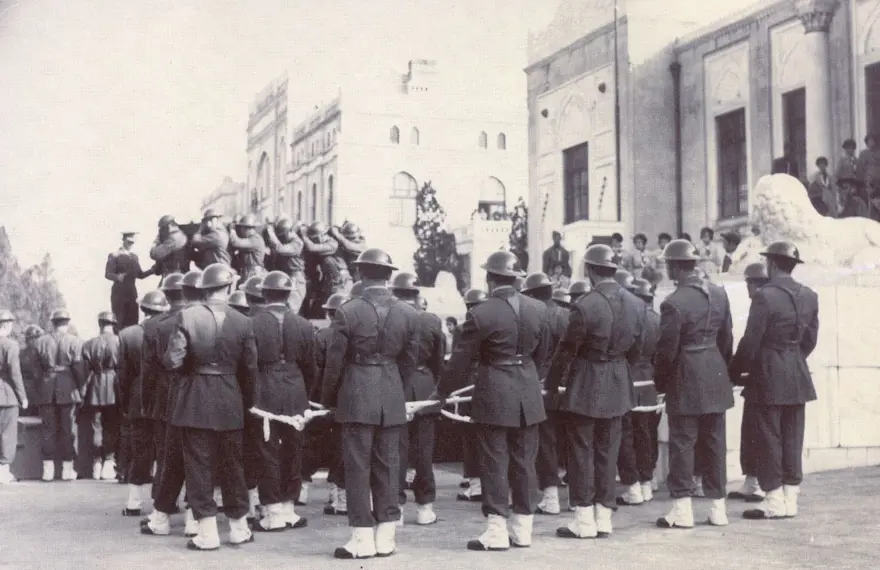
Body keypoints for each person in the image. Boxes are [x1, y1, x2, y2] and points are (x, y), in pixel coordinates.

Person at [437, 251, 549, 551]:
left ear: (489, 278)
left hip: (494, 391)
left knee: (494, 461)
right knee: (525, 462)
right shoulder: (539, 309)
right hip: (527, 389)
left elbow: (461, 361)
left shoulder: (481, 313)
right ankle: (523, 529)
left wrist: (441, 393)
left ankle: (497, 529)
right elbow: (544, 354)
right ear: (515, 277)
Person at [320, 248, 420, 559]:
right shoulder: (409, 313)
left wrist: (328, 400)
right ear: (389, 275)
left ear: (361, 273)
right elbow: (410, 362)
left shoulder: (348, 311)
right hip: (390, 392)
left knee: (357, 466)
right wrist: (396, 391)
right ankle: (385, 536)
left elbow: (334, 364)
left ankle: (361, 537)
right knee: (390, 466)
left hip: (356, 393)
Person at [544, 245, 640, 539]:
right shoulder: (636, 303)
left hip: (587, 382)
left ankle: (584, 519)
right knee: (608, 451)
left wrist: (552, 383)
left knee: (581, 450)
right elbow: (636, 349)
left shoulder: (585, 305)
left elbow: (566, 350)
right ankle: (604, 517)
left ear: (590, 270)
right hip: (618, 381)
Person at [163, 263, 258, 550]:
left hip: (194, 400)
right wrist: (246, 402)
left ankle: (207, 532)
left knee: (199, 465)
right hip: (230, 399)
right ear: (229, 288)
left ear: (203, 288)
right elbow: (250, 369)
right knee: (233, 465)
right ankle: (239, 527)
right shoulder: (243, 321)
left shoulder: (187, 316)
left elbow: (172, 361)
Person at [731, 243, 819, 520]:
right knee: (793, 437)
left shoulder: (765, 296)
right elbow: (810, 339)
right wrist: (791, 357)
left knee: (768, 438)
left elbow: (750, 341)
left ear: (772, 264)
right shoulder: (809, 295)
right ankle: (790, 501)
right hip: (797, 373)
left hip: (768, 375)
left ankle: (774, 502)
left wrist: (733, 373)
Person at [654, 239, 734, 529]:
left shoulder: (673, 302)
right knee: (715, 443)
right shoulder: (718, 294)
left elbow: (666, 350)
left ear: (675, 266)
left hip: (686, 375)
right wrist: (721, 368)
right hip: (715, 371)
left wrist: (660, 382)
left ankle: (682, 509)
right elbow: (727, 340)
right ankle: (717, 508)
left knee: (682, 443)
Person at [250, 270, 316, 532]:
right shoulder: (303, 324)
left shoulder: (252, 323)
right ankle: (288, 508)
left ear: (264, 293)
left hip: (264, 389)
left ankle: (273, 510)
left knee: (267, 450)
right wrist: (303, 391)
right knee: (294, 449)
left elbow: (248, 365)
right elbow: (311, 367)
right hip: (295, 390)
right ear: (288, 294)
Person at [141, 271, 200, 538]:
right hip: (198, 398)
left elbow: (148, 374)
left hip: (166, 400)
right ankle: (193, 516)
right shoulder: (201, 319)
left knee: (168, 458)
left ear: (167, 294)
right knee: (198, 457)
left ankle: (162, 513)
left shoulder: (154, 327)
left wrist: (148, 404)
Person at [390, 272, 445, 526]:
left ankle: (396, 507)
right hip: (424, 386)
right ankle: (425, 507)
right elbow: (439, 358)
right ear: (417, 294)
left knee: (395, 452)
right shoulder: (430, 320)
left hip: (396, 386)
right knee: (424, 453)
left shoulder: (389, 316)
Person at [520, 272, 569, 516]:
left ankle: (550, 496)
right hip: (569, 386)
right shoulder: (566, 314)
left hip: (539, 385)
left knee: (545, 443)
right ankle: (577, 497)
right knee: (573, 442)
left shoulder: (533, 315)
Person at [118, 290, 169, 516]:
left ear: (143, 309)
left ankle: (133, 502)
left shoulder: (128, 334)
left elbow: (122, 376)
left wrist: (125, 402)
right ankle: (164, 500)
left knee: (140, 452)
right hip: (166, 397)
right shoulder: (170, 330)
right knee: (166, 451)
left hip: (138, 398)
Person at [726, 262, 770, 504]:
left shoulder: (761, 300)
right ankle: (752, 481)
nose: (748, 289)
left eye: (748, 284)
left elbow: (749, 341)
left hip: (763, 377)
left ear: (754, 284)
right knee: (753, 429)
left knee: (760, 431)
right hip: (768, 376)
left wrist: (732, 373)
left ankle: (760, 484)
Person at [616, 278, 661, 506]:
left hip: (628, 379)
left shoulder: (626, 318)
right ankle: (646, 481)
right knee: (645, 433)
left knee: (626, 434)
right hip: (648, 380)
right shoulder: (655, 318)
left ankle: (633, 485)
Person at [35, 309, 86, 482]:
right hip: (68, 388)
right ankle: (67, 468)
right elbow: (79, 370)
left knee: (48, 429)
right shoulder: (75, 342)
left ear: (52, 322)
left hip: (47, 388)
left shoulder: (40, 341)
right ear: (67, 322)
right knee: (68, 429)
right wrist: (81, 388)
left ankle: (47, 470)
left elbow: (36, 371)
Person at [313, 293, 349, 516]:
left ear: (328, 314)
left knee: (320, 442)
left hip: (325, 398)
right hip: (351, 396)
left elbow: (317, 369)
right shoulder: (353, 333)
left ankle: (334, 494)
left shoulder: (323, 335)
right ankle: (341, 496)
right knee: (345, 446)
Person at [455, 288, 488, 502]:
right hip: (489, 380)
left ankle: (476, 484)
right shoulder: (494, 321)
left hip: (469, 382)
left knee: (470, 435)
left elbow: (461, 358)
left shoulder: (464, 327)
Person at [81, 311, 122, 481]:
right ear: (114, 324)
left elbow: (84, 368)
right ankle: (109, 462)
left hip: (95, 385)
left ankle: (96, 463)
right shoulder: (120, 342)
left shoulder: (89, 343)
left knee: (95, 426)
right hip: (113, 384)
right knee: (112, 425)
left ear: (99, 324)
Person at [0, 310, 26, 484]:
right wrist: (22, 396)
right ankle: (3, 470)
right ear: (7, 325)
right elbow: (15, 373)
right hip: (6, 394)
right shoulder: (10, 345)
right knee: (7, 433)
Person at [105, 232, 151, 328]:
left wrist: (153, 270)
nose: (130, 244)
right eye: (129, 242)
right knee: (119, 321)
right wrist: (117, 277)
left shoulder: (134, 257)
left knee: (133, 320)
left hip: (131, 293)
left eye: (132, 242)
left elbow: (140, 275)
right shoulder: (114, 255)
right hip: (119, 292)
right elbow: (108, 274)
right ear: (123, 240)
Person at [265, 217, 307, 314]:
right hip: (288, 277)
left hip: (296, 279)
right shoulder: (288, 241)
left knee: (292, 309)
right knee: (285, 309)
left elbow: (281, 249)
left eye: (283, 235)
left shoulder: (297, 242)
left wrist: (271, 233)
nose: (281, 237)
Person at [149, 215, 190, 281]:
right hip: (180, 273)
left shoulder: (172, 239)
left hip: (173, 275)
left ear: (169, 225)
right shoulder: (181, 235)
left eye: (162, 228)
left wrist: (156, 242)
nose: (161, 231)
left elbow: (155, 254)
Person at [229, 215, 267, 284]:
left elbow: (236, 242)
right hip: (248, 272)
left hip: (253, 273)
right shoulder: (251, 238)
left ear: (248, 229)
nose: (241, 231)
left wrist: (232, 231)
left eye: (242, 228)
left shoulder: (256, 239)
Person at [19, 325, 44, 418]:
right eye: (32, 339)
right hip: (27, 389)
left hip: (41, 389)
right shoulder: (21, 353)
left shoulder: (43, 352)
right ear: (27, 340)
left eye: (37, 338)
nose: (35, 341)